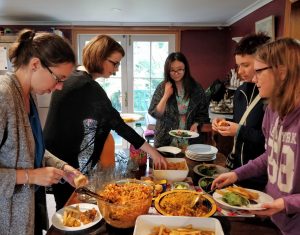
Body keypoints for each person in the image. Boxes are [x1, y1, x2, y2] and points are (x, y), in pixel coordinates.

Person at [43, 34, 168, 210]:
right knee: (69, 210)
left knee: (64, 207)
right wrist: (153, 152)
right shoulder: (87, 86)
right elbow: (117, 124)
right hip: (65, 163)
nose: (116, 69)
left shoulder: (72, 77)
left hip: (53, 157)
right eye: (114, 63)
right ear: (100, 57)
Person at [212, 38, 300, 235]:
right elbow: (270, 155)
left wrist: (285, 203)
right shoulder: (272, 111)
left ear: (282, 72)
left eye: (258, 71)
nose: (253, 78)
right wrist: (236, 174)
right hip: (274, 216)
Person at [0, 29, 82, 235]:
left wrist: (63, 168)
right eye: (58, 78)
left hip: (29, 212)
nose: (60, 87)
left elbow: (31, 148)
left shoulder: (29, 95)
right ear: (35, 64)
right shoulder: (3, 96)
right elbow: (28, 171)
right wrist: (31, 176)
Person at [212, 33, 270, 190]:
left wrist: (239, 131)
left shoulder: (270, 96)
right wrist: (222, 123)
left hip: (260, 176)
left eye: (245, 65)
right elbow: (240, 121)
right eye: (238, 65)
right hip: (236, 169)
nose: (240, 71)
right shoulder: (240, 91)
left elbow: (270, 144)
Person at [148, 52, 209, 149]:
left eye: (180, 69)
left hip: (190, 140)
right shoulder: (162, 87)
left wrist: (196, 123)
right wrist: (166, 95)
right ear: (167, 71)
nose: (176, 73)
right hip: (165, 140)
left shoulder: (196, 88)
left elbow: (203, 114)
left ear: (186, 69)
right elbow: (155, 113)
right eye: (172, 70)